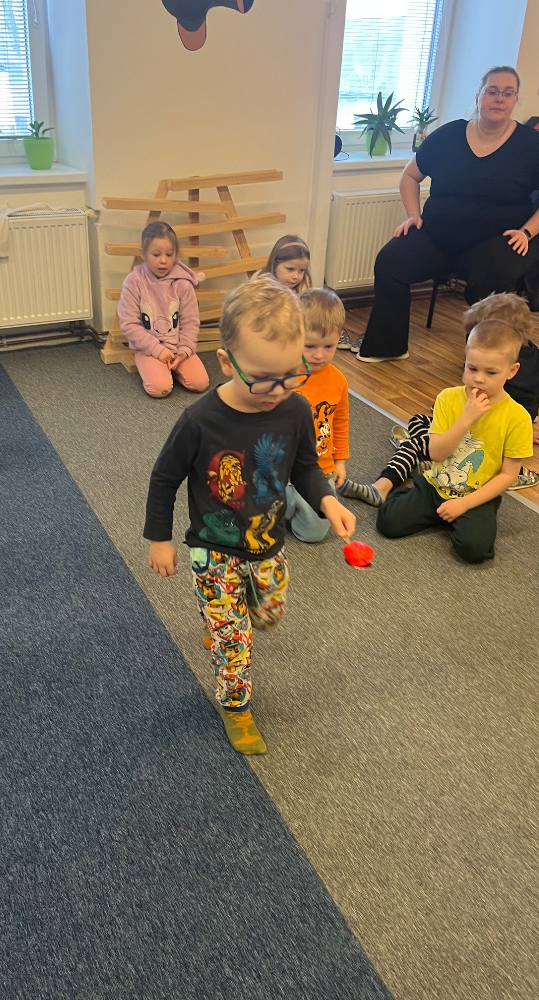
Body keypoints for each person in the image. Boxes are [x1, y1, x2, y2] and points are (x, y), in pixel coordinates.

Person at [144, 274, 355, 755]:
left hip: (267, 544)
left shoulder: (294, 409)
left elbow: (305, 466)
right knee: (234, 640)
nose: (276, 390)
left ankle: (225, 622)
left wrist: (328, 501)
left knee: (269, 613)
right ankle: (235, 703)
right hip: (213, 548)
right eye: (262, 378)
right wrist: (160, 538)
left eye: (290, 375)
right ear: (226, 361)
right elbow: (164, 477)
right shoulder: (200, 419)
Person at [353, 65, 539, 363]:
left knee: (492, 278)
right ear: (479, 96)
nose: (499, 98)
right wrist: (413, 214)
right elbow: (410, 176)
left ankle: (485, 360)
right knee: (391, 261)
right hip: (438, 237)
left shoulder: (531, 146)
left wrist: (527, 231)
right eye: (492, 91)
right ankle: (387, 346)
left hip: (499, 241)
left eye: (508, 93)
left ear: (516, 99)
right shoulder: (449, 135)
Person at [340, 292, 539, 507]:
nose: (478, 376)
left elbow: (520, 413)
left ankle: (383, 485)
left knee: (417, 444)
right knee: (419, 420)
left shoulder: (522, 377)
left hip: (485, 449)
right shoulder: (485, 373)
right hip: (461, 437)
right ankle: (425, 459)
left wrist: (524, 431)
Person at [375, 319, 532, 563]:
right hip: (436, 484)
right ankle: (415, 487)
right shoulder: (447, 398)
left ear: (511, 371)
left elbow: (508, 476)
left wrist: (464, 504)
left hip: (476, 496)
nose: (479, 379)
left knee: (474, 550)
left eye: (491, 372)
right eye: (472, 368)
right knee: (388, 522)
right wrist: (466, 419)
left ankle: (452, 514)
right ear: (465, 361)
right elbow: (437, 453)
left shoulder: (518, 418)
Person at [285, 287, 350, 542]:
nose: (319, 355)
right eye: (310, 346)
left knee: (314, 534)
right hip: (280, 469)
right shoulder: (281, 376)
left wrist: (340, 461)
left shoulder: (338, 381)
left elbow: (340, 422)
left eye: (329, 346)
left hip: (319, 468)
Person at [117, 220, 210, 397]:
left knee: (200, 383)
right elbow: (129, 324)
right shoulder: (134, 281)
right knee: (160, 389)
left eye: (169, 254)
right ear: (143, 254)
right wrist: (157, 350)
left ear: (176, 254)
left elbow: (190, 322)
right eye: (156, 254)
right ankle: (160, 370)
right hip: (148, 348)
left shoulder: (183, 283)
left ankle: (171, 369)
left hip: (178, 347)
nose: (163, 260)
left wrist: (184, 351)